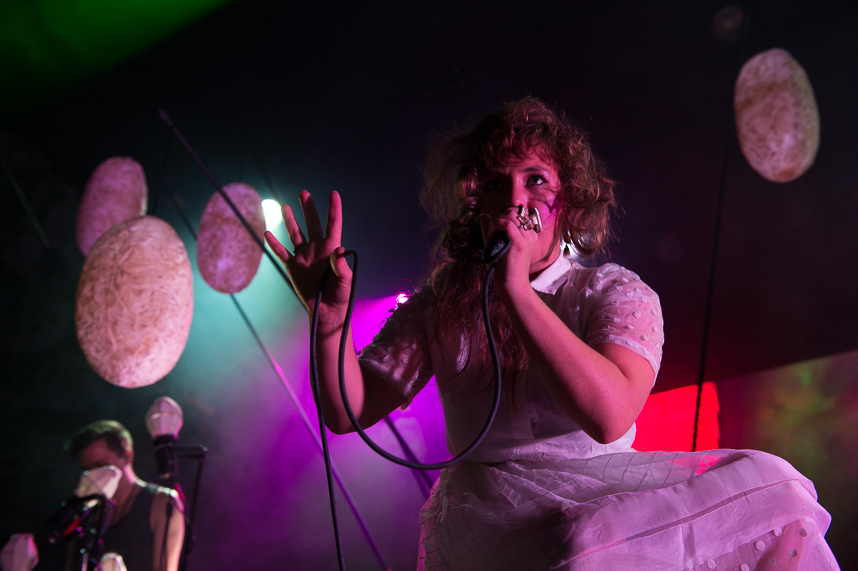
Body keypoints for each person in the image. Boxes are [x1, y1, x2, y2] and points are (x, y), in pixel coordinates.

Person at [264, 98, 840, 570]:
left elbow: (609, 414)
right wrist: (329, 319)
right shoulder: (443, 302)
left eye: (535, 180)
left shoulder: (613, 291)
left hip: (602, 501)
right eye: (497, 184)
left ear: (566, 204)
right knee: (572, 544)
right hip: (492, 516)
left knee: (778, 490)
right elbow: (349, 410)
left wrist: (515, 289)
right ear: (477, 207)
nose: (516, 199)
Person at [64, 421, 184, 571]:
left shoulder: (162, 502)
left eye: (100, 465)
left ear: (127, 456)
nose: (95, 476)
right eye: (87, 470)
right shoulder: (85, 512)